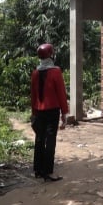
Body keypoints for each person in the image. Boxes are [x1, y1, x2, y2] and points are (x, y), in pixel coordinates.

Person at [30, 43, 68, 182]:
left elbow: (33, 96)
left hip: (39, 111)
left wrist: (33, 112)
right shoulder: (56, 72)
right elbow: (61, 94)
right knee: (50, 140)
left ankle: (38, 170)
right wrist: (64, 113)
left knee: (39, 139)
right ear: (51, 55)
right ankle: (48, 172)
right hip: (52, 110)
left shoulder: (35, 72)